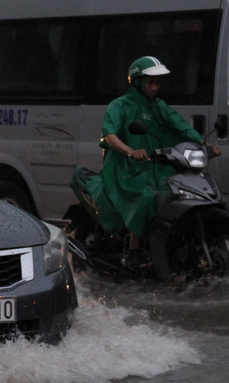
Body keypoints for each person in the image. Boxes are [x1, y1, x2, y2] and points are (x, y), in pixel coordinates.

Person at [85, 56, 220, 265]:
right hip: (124, 169)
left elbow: (179, 125)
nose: (155, 87)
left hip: (154, 166)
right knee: (146, 197)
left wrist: (204, 143)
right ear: (138, 82)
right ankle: (134, 250)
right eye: (150, 82)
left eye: (157, 82)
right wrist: (130, 151)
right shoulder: (119, 106)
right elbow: (109, 136)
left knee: (176, 193)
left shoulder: (158, 106)